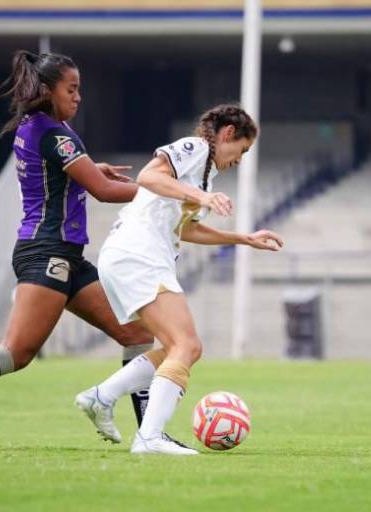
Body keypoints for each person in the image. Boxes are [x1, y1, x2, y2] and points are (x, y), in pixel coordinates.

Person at [0, 50, 158, 449]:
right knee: (16, 353)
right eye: (72, 89)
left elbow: (60, 174)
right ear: (48, 89)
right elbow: (103, 192)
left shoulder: (36, 126)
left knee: (138, 333)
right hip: (46, 253)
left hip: (65, 254)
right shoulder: (54, 133)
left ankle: (149, 436)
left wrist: (89, 169)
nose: (78, 97)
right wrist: (164, 194)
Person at [75, 103, 284, 455]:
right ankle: (149, 438)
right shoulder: (195, 147)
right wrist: (202, 196)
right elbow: (148, 177)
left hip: (137, 257)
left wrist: (243, 238)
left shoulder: (204, 174)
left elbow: (188, 230)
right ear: (228, 134)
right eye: (242, 150)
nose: (240, 159)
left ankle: (101, 397)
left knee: (183, 347)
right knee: (186, 346)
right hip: (138, 254)